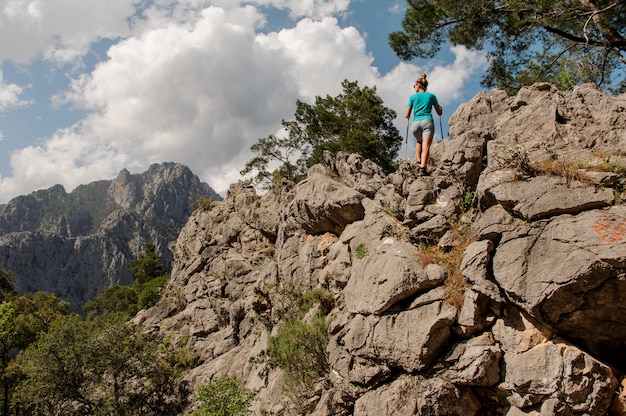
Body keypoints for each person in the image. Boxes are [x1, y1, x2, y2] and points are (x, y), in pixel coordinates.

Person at [405, 73, 442, 175]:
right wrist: (440, 109)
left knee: (419, 141)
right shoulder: (431, 96)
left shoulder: (412, 97)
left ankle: (418, 160)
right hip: (427, 121)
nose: (414, 88)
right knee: (426, 146)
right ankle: (423, 168)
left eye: (415, 85)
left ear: (419, 85)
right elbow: (439, 112)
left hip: (416, 123)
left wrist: (408, 115)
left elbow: (407, 114)